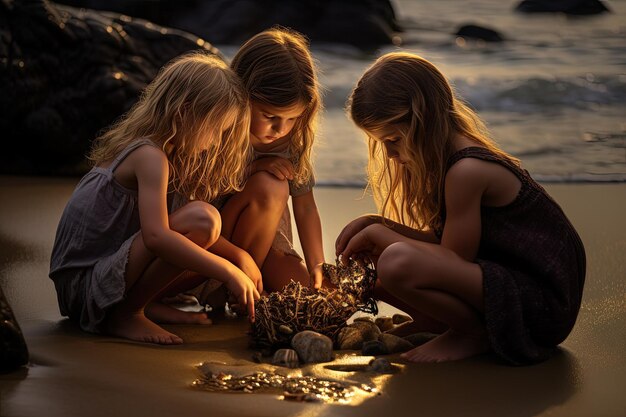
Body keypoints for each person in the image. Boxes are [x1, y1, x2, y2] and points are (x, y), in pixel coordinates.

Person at [335, 52, 586, 365]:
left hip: (539, 307)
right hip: (504, 287)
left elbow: (453, 260)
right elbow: (447, 250)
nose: (387, 153)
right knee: (378, 264)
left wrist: (382, 235)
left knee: (396, 261)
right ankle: (447, 322)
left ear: (421, 123)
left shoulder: (467, 169)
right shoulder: (450, 161)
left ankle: (471, 332)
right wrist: (378, 225)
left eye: (393, 139)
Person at [49, 52, 261, 345]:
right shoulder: (149, 156)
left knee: (200, 220)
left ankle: (140, 306)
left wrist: (239, 256)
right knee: (204, 218)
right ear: (185, 112)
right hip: (84, 288)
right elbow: (157, 237)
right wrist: (227, 271)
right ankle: (127, 313)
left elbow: (171, 228)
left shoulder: (162, 151)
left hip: (96, 277)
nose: (214, 141)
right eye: (215, 129)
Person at [189, 27, 326, 305]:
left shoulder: (290, 144)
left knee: (309, 297)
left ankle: (249, 287)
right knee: (271, 185)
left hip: (263, 245)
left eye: (292, 119)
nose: (280, 128)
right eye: (270, 116)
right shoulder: (215, 133)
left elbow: (306, 207)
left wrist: (317, 265)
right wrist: (254, 169)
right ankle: (229, 290)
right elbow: (193, 202)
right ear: (241, 94)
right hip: (211, 245)